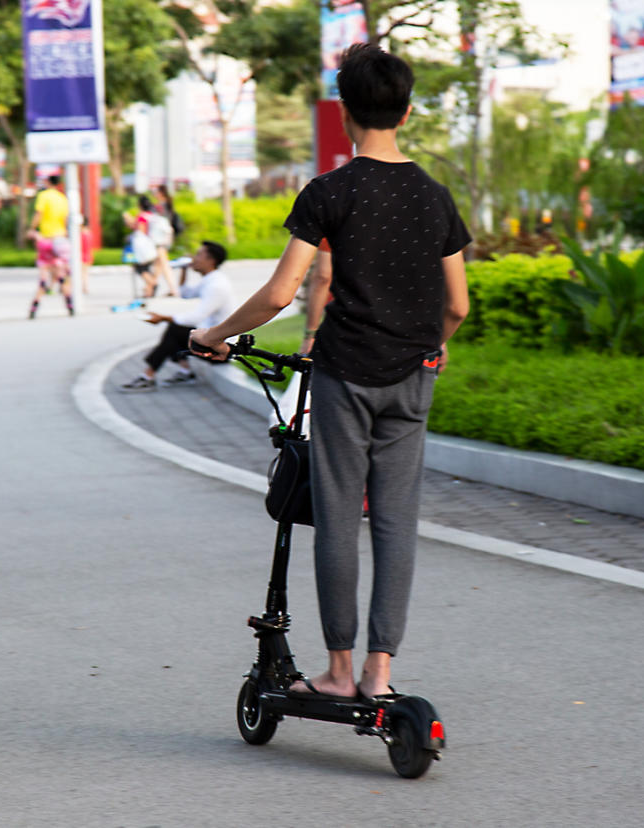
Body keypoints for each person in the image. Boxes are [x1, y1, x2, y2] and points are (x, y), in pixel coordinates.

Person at [189, 43, 470, 701]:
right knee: (397, 521)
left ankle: (338, 672)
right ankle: (381, 673)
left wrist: (215, 335)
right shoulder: (435, 197)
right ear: (406, 109)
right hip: (414, 376)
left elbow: (280, 292)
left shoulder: (331, 192)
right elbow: (457, 304)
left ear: (346, 112)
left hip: (345, 376)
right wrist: (436, 342)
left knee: (340, 517)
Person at [120, 241, 234, 391]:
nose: (194, 258)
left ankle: (149, 376)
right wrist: (184, 269)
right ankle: (181, 372)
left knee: (175, 329)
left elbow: (196, 317)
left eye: (199, 255)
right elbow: (185, 294)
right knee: (176, 331)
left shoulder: (217, 285)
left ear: (211, 261)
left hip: (221, 348)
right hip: (211, 338)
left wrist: (162, 318)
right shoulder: (210, 279)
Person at [26, 229, 74, 318]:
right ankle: (34, 308)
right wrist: (32, 231)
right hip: (44, 261)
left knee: (63, 281)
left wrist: (66, 270)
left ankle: (69, 305)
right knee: (42, 284)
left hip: (55, 261)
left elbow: (64, 262)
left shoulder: (62, 249)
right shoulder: (43, 245)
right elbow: (34, 235)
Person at [125, 195, 159, 301]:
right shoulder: (152, 215)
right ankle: (149, 290)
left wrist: (128, 219)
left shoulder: (142, 216)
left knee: (140, 268)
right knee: (147, 268)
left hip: (142, 247)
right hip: (151, 245)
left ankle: (152, 284)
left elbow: (139, 229)